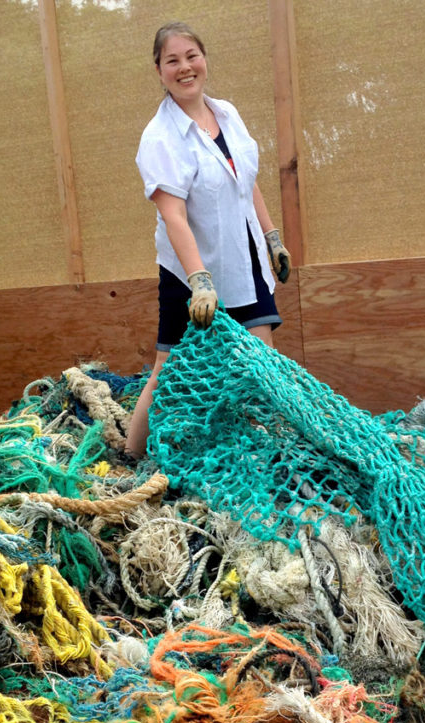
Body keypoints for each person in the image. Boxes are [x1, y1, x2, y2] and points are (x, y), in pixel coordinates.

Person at [125, 21, 291, 459]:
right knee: (168, 370)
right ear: (158, 70)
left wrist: (272, 237)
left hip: (243, 260)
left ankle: (268, 458)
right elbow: (172, 215)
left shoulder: (227, 114)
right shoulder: (159, 138)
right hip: (190, 272)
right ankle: (129, 457)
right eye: (172, 61)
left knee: (262, 368)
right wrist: (199, 280)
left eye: (191, 56)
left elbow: (244, 180)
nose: (184, 68)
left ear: (204, 59)